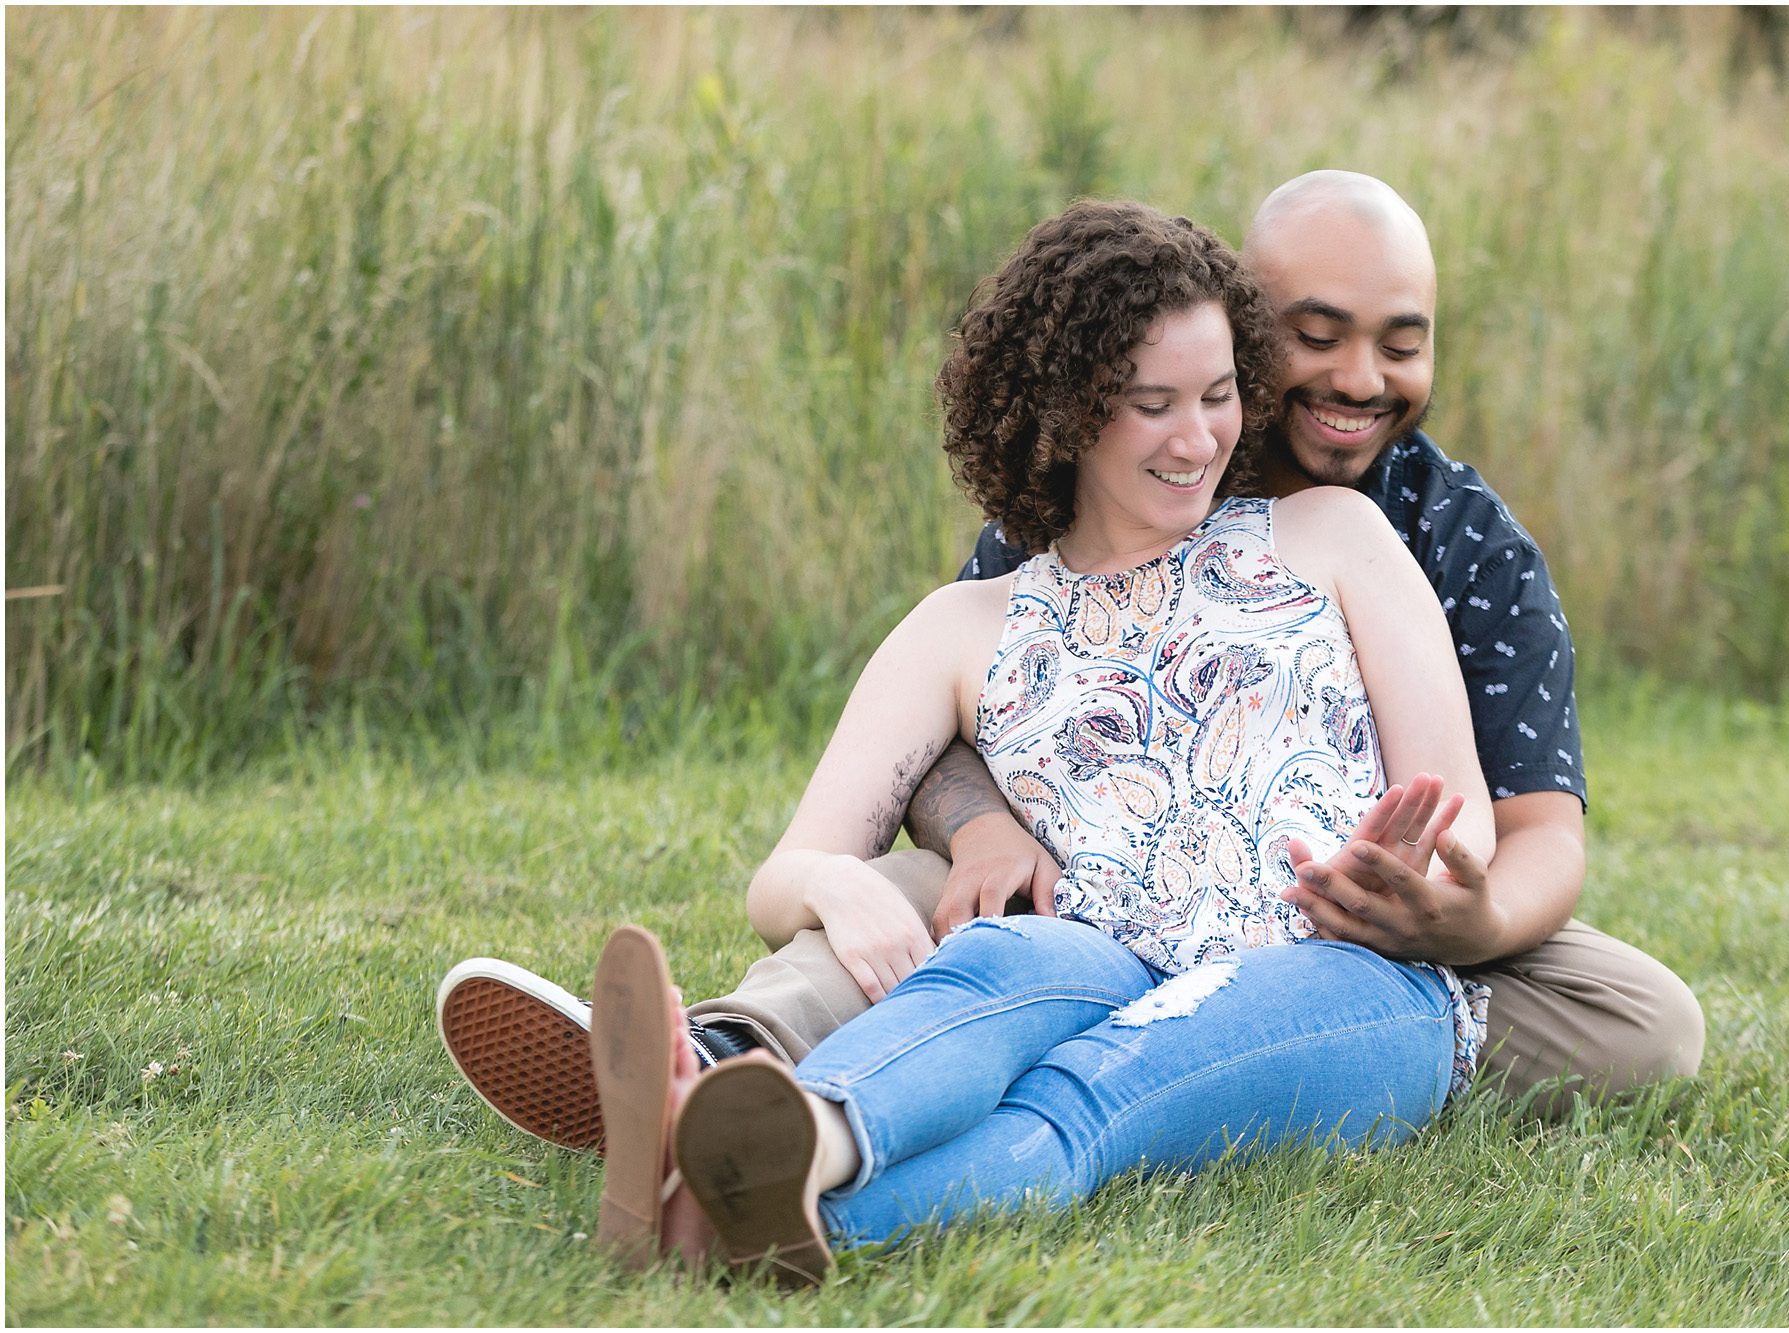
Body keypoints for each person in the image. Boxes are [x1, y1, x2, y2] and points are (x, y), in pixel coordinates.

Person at [435, 169, 1702, 1160]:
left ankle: (1223, 1051)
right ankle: (712, 1058)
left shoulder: (1450, 541)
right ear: (1242, 325)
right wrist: (979, 827)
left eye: (1400, 342)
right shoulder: (1090, 477)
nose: (1359, 380)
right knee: (917, 893)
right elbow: (956, 711)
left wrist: (1464, 915)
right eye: (1316, 335)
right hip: (1081, 886)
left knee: (1644, 1017)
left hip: (1351, 916)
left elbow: (1536, 826)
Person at [587, 198, 1494, 1283]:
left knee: (1084, 1092)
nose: (1198, 437)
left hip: (1341, 977)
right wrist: (838, 884)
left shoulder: (1332, 536)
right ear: (1062, 411)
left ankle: (746, 1219)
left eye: (1217, 396)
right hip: (1102, 955)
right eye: (1151, 404)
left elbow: (1466, 812)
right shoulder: (960, 629)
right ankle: (796, 1135)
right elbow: (785, 868)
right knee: (991, 964)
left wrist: (1404, 870)